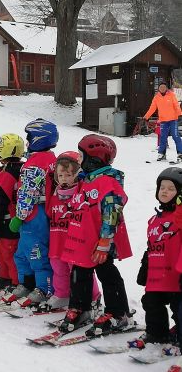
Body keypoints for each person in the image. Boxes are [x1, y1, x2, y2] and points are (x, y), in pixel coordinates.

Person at [59, 134, 134, 337]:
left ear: (94, 159)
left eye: (81, 157)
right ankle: (80, 307)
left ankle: (118, 313)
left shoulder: (108, 183)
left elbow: (113, 213)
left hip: (101, 240)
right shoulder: (87, 180)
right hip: (83, 238)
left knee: (107, 273)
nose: (78, 161)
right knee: (79, 273)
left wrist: (104, 241)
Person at [40, 151, 101, 312]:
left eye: (68, 175)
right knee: (58, 267)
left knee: (77, 270)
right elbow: (48, 211)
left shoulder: (81, 192)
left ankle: (93, 296)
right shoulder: (55, 192)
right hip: (57, 237)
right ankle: (62, 293)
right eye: (60, 175)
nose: (64, 179)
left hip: (74, 240)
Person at [6, 119, 58, 306]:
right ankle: (27, 283)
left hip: (34, 214)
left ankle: (44, 288)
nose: (27, 141)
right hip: (45, 213)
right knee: (23, 253)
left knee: (35, 253)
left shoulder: (33, 165)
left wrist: (19, 217)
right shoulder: (53, 160)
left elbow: (27, 194)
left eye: (29, 137)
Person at [132, 167, 182, 347]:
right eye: (162, 187)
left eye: (171, 188)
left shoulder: (179, 218)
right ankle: (157, 333)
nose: (165, 191)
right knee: (151, 303)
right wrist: (145, 265)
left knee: (178, 308)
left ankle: (179, 333)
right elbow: (151, 245)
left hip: (176, 274)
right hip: (156, 274)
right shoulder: (153, 220)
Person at [0, 133, 25, 290]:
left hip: (7, 220)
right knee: (3, 250)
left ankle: (14, 281)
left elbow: (1, 200)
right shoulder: (18, 169)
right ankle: (5, 276)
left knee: (8, 252)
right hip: (10, 220)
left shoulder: (7, 174)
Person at [143, 82, 182, 162]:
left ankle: (180, 154)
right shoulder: (156, 97)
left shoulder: (171, 95)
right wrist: (146, 117)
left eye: (164, 87)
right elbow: (152, 108)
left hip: (173, 120)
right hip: (163, 120)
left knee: (176, 136)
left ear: (166, 88)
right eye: (161, 87)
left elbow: (176, 105)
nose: (162, 89)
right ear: (159, 89)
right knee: (162, 137)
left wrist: (180, 114)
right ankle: (162, 154)